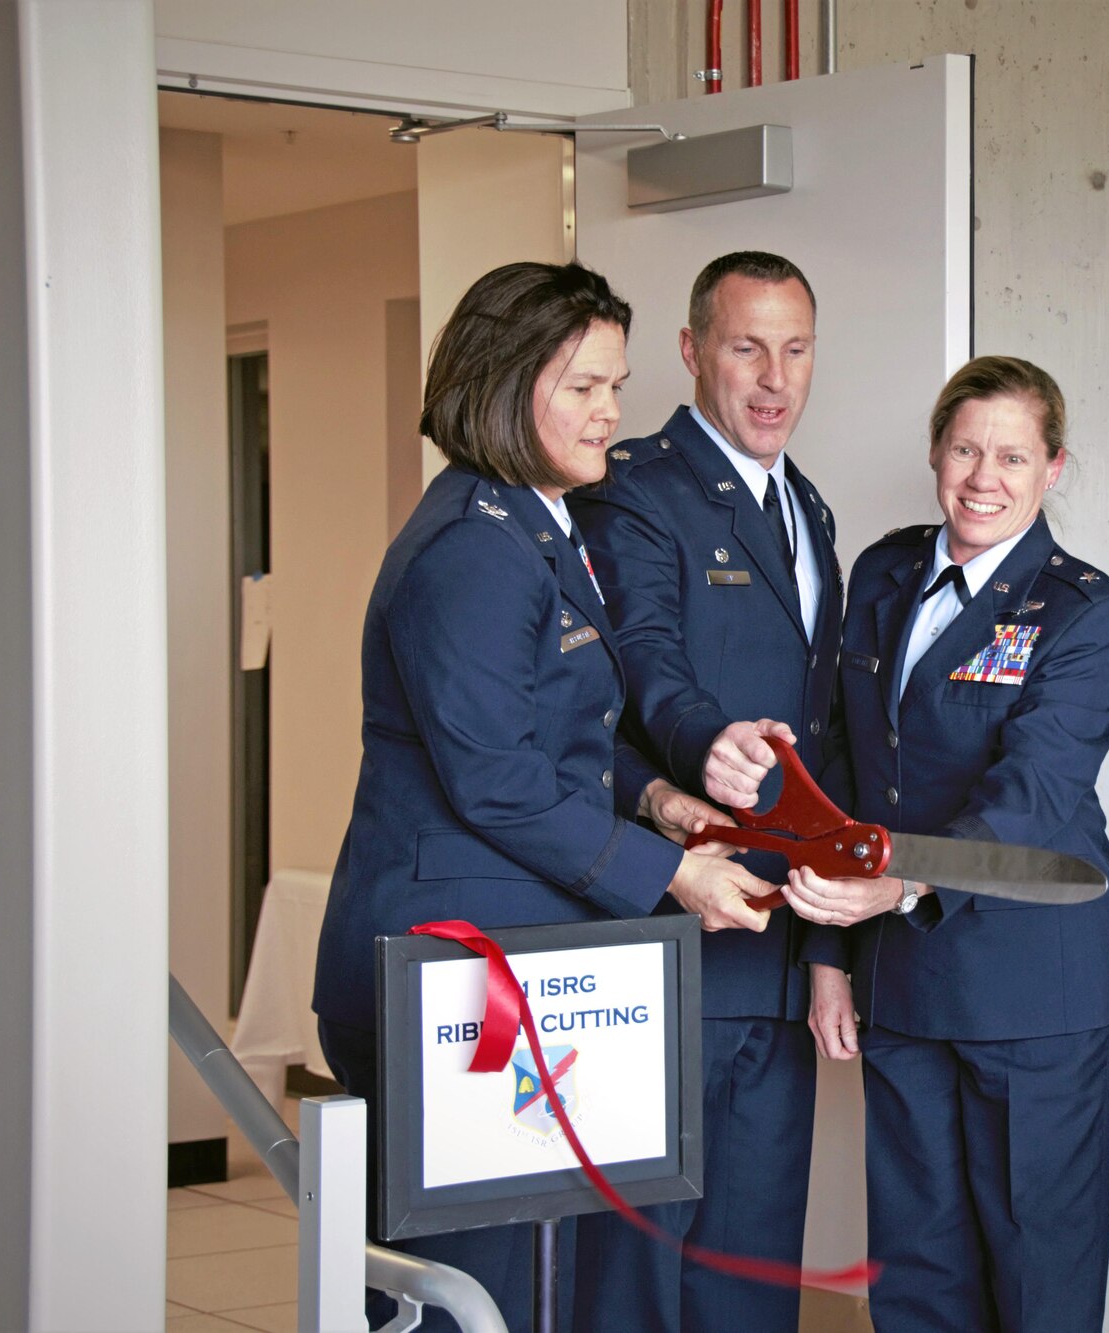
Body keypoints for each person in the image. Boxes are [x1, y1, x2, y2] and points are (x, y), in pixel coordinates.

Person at [311, 261, 774, 1330]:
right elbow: (498, 778)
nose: (609, 412)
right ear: (505, 380)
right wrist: (676, 873)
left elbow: (552, 729)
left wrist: (657, 798)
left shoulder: (533, 527)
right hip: (450, 970)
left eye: (614, 385)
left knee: (534, 1277)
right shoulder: (476, 549)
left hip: (507, 960)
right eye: (581, 387)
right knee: (471, 1290)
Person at [783, 356, 1109, 1332]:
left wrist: (893, 884)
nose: (984, 477)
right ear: (935, 452)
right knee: (914, 1283)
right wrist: (825, 956)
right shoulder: (885, 571)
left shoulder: (1084, 610)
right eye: (965, 448)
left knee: (1036, 1287)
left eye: (1012, 456)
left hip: (1035, 991)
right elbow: (845, 774)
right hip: (900, 984)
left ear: (1052, 468)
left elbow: (1031, 794)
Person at [569, 251, 847, 1332]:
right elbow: (642, 659)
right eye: (745, 346)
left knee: (751, 1259)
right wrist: (705, 746)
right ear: (690, 353)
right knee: (642, 1263)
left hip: (778, 934)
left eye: (795, 347)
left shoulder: (805, 505)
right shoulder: (637, 490)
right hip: (677, 924)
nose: (773, 376)